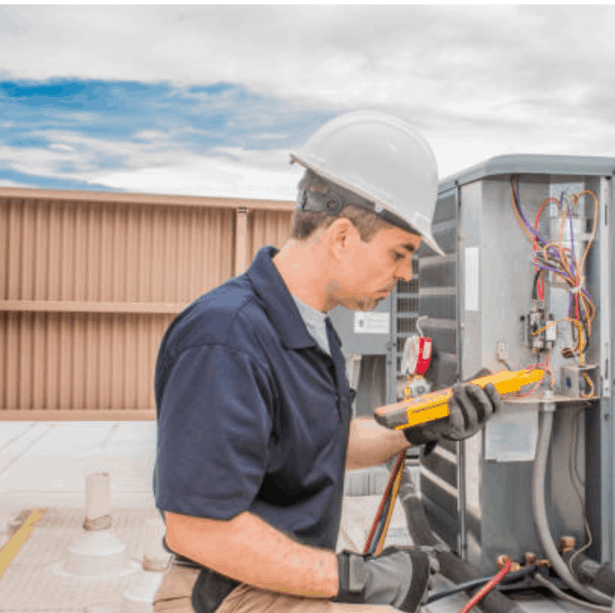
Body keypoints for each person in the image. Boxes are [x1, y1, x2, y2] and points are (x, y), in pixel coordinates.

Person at [151, 110, 503, 613]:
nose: (406, 274)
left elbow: (325, 447)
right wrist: (356, 578)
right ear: (341, 238)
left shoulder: (311, 328)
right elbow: (196, 528)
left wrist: (429, 419)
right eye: (399, 253)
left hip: (276, 580)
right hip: (226, 592)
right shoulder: (226, 338)